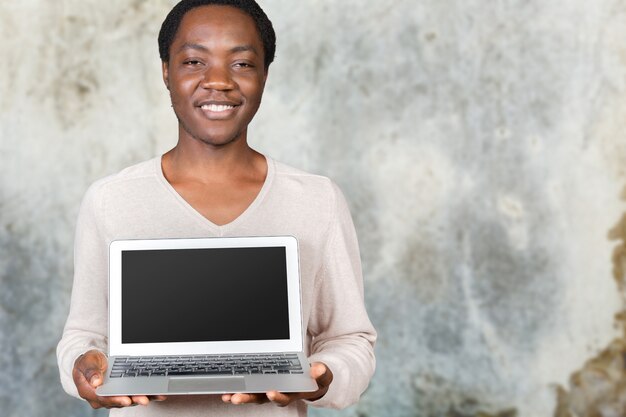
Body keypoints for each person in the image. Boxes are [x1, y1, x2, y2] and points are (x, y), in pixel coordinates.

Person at [56, 0, 376, 415]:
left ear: (264, 75)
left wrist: (320, 377)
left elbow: (350, 340)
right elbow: (83, 335)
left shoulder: (316, 199)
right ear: (166, 72)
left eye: (242, 64)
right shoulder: (111, 199)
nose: (218, 81)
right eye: (193, 61)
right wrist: (84, 367)